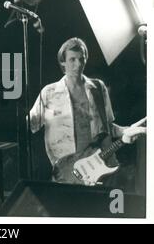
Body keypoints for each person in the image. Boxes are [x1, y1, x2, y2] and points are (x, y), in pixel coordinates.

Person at [29, 37, 144, 187]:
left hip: (101, 165)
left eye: (81, 59)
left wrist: (126, 131)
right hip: (67, 171)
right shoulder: (49, 93)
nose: (78, 64)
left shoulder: (98, 88)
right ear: (62, 62)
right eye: (72, 60)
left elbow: (108, 128)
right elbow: (30, 125)